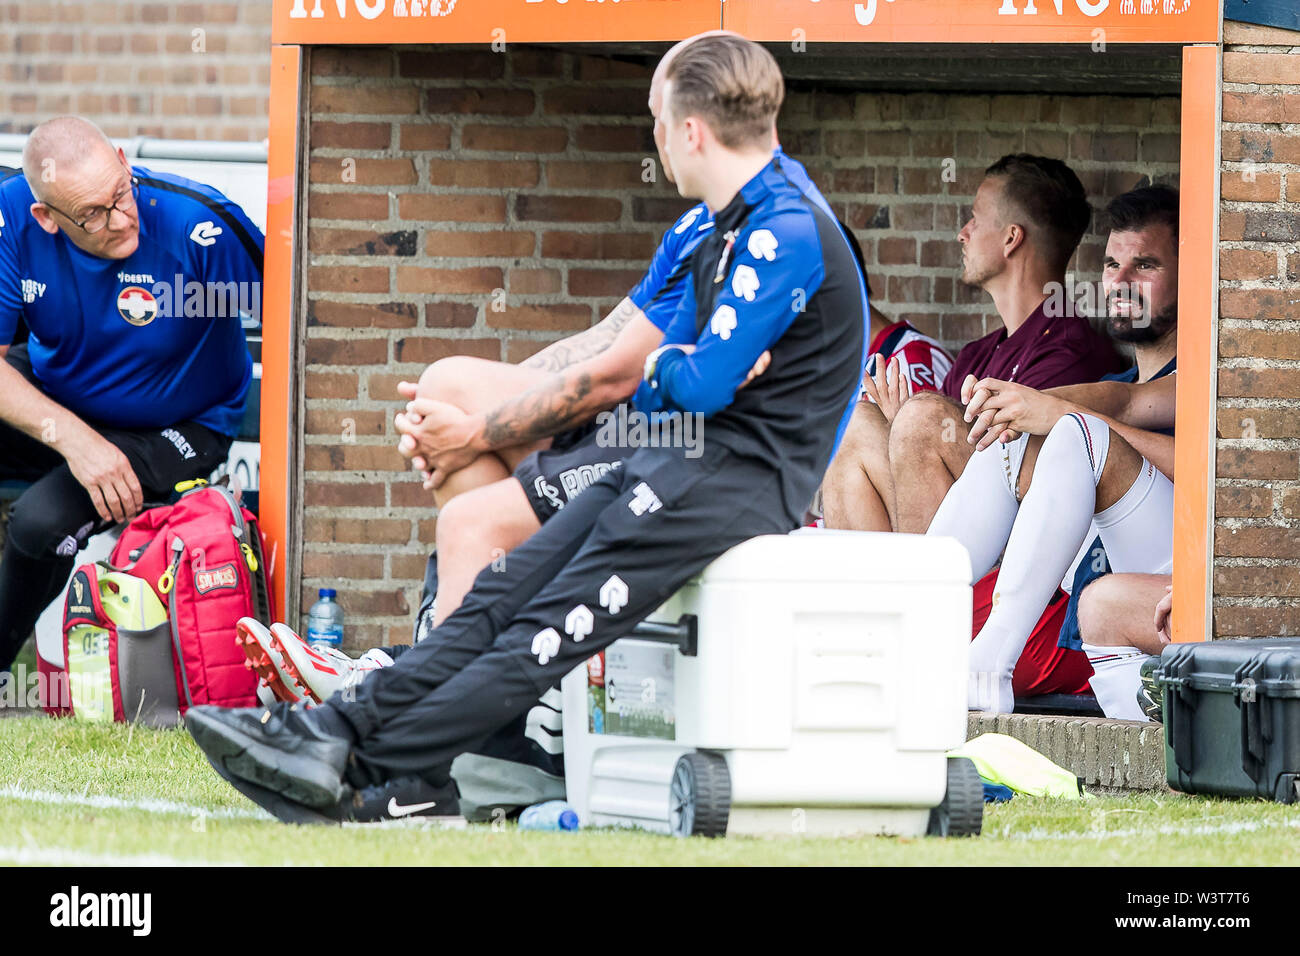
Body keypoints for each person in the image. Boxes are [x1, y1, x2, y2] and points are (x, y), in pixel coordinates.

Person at [188, 33, 867, 824]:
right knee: (503, 593)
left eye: (655, 120)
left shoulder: (783, 231)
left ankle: (368, 767)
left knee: (545, 631)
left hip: (736, 486)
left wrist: (680, 371)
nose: (654, 139)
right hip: (679, 463)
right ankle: (329, 729)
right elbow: (668, 391)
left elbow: (694, 385)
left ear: (691, 132)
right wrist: (681, 370)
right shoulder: (723, 224)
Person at [0, 117, 260, 675]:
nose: (121, 220)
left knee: (39, 524)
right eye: (93, 214)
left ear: (122, 159)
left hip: (181, 424)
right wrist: (75, 441)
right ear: (45, 217)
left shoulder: (198, 222)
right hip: (63, 403)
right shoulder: (12, 216)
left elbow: (304, 323)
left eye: (120, 193)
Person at [953, 185, 1180, 716]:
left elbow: (1125, 407)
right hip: (1109, 593)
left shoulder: (1215, 375)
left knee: (1075, 431)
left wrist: (1052, 411)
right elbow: (1117, 397)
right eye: (1111, 265)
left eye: (1144, 265)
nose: (1121, 283)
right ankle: (910, 609)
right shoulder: (1120, 381)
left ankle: (989, 663)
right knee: (1021, 432)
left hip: (1183, 573)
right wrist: (1016, 403)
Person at [822, 153, 1122, 535]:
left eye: (975, 219)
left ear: (1012, 238)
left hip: (1012, 553)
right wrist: (902, 432)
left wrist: (912, 425)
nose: (962, 233)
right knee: (860, 420)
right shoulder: (976, 354)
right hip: (946, 532)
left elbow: (1029, 488)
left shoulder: (1070, 351)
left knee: (921, 417)